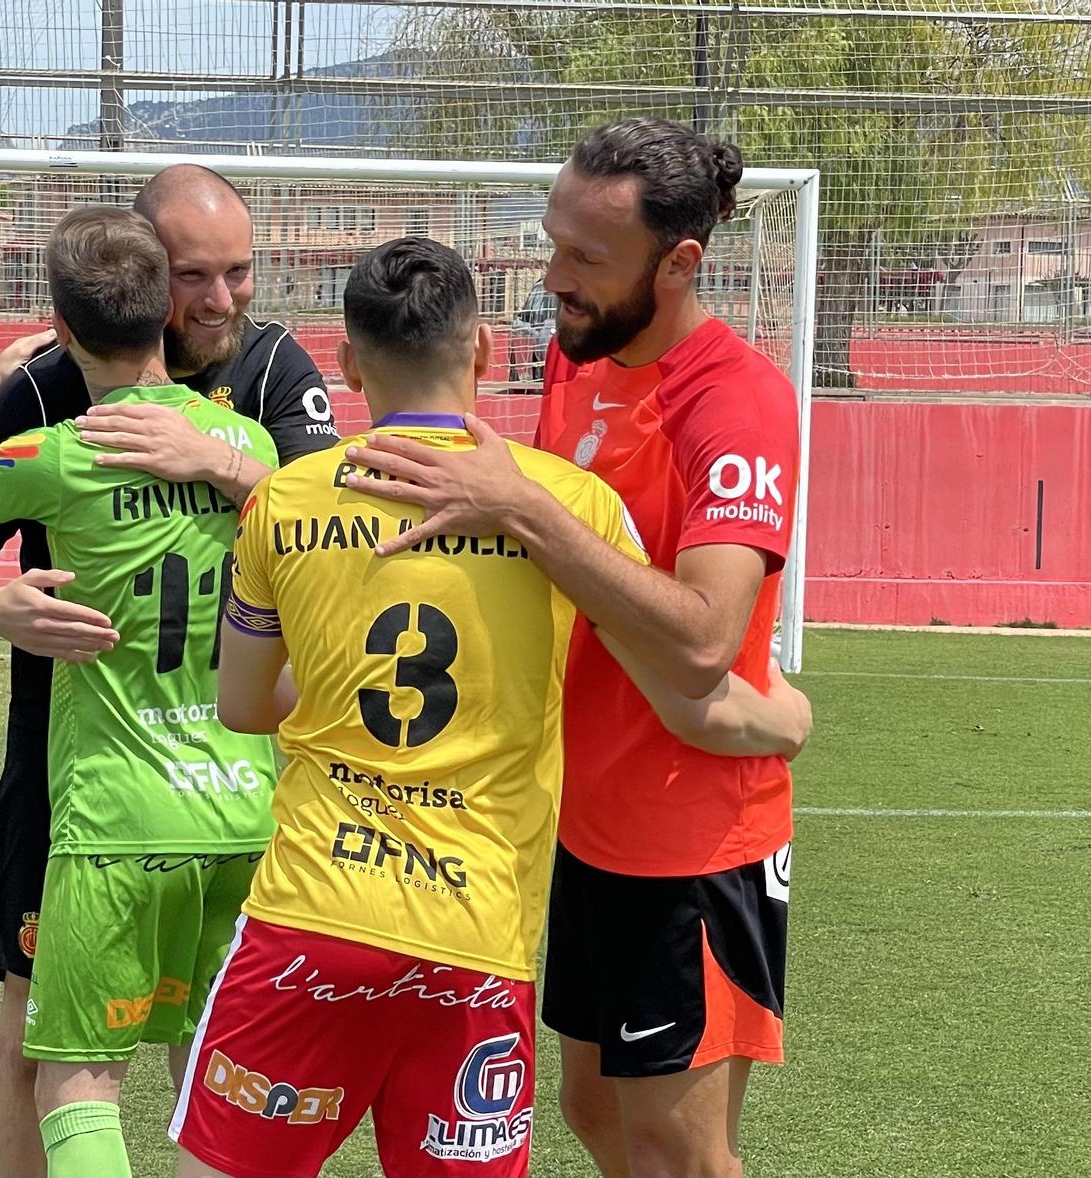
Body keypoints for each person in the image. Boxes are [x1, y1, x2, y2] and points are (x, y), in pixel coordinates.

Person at [169, 236, 810, 1178]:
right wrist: (784, 722)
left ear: (346, 362)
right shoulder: (569, 507)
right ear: (479, 355)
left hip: (312, 918)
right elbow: (676, 675)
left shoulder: (283, 503)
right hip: (476, 938)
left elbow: (243, 703)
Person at [344, 119, 802, 1178]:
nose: (552, 278)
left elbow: (701, 637)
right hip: (583, 820)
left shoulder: (732, 402)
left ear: (678, 263)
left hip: (690, 836)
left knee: (679, 1152)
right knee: (595, 1112)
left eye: (586, 259)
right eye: (551, 243)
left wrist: (521, 511)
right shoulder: (575, 355)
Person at [0, 163, 339, 1178]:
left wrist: (220, 463)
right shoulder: (47, 385)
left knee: (121, 1061)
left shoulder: (268, 375)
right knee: (30, 1028)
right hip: (84, 771)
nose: (220, 300)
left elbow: (335, 525)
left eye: (239, 272)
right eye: (194, 276)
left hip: (165, 778)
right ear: (144, 273)